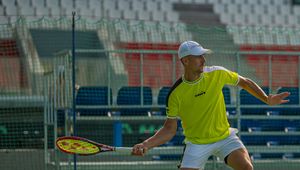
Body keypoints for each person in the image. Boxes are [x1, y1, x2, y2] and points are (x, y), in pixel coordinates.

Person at [131, 40, 290, 170]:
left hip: (225, 137)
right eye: (198, 56)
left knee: (246, 168)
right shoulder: (175, 93)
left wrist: (266, 99)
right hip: (196, 143)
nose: (203, 60)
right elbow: (169, 128)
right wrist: (146, 144)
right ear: (185, 60)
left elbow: (244, 82)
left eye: (203, 56)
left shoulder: (216, 73)